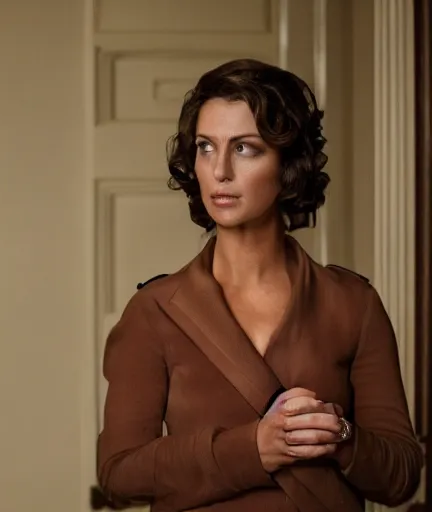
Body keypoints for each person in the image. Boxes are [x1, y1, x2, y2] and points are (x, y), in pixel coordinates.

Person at [96, 59, 423, 511]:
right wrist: (253, 449)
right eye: (206, 147)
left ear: (288, 163)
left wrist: (340, 436)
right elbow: (119, 475)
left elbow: (401, 478)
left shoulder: (353, 303)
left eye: (245, 148)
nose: (220, 171)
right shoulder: (155, 309)